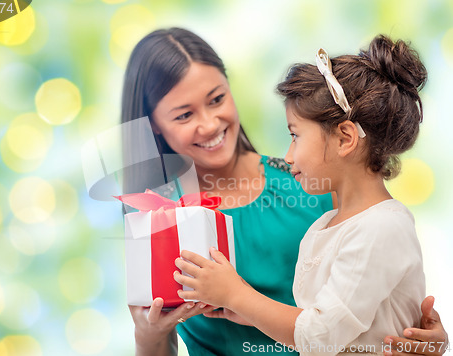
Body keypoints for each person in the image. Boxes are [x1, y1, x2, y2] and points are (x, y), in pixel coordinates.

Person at [120, 28, 448, 356]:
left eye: (217, 99)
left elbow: (379, 289)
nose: (208, 124)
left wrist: (420, 334)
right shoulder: (159, 217)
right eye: (184, 114)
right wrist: (147, 335)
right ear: (153, 124)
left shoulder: (316, 180)